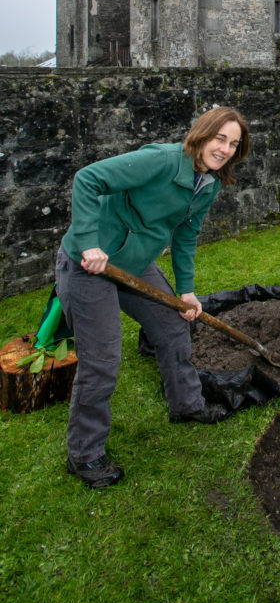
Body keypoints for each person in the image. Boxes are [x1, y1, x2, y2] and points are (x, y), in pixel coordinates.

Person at [55, 106, 251, 488]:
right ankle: (85, 454)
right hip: (91, 264)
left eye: (233, 144)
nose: (225, 149)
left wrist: (187, 291)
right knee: (102, 361)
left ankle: (187, 405)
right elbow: (87, 179)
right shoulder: (160, 161)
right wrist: (88, 243)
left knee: (173, 327)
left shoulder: (206, 184)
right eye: (220, 138)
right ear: (202, 133)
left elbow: (185, 236)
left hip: (135, 264)